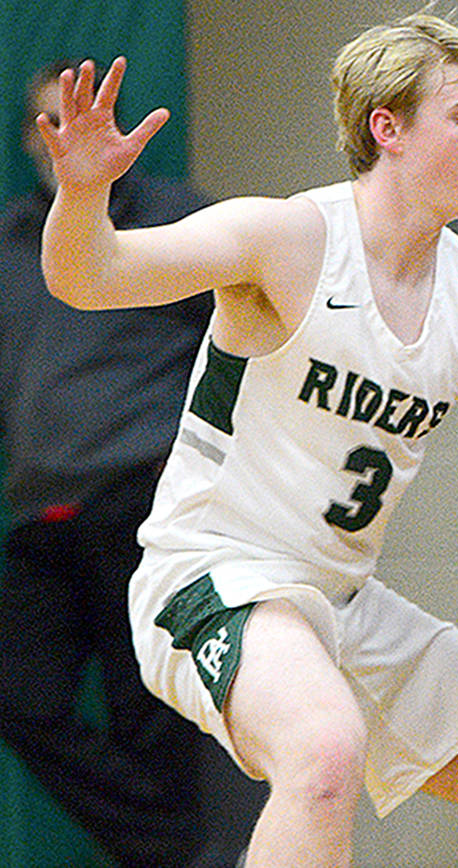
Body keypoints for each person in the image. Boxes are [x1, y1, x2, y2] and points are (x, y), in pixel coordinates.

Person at [38, 10, 458, 867]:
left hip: (343, 602)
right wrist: (84, 194)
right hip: (213, 571)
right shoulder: (285, 239)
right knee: (323, 754)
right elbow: (92, 279)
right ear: (386, 129)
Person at [0, 59, 261, 866]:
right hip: (43, 512)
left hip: (145, 498)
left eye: (81, 117)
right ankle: (179, 851)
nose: (65, 135)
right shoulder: (8, 242)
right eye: (50, 121)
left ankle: (208, 853)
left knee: (149, 706)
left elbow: (251, 341)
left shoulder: (179, 220)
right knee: (22, 695)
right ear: (30, 140)